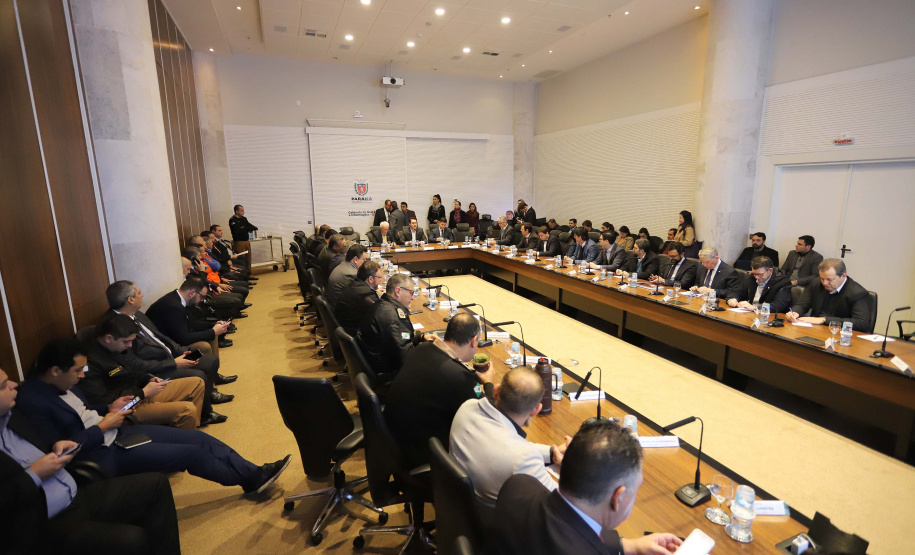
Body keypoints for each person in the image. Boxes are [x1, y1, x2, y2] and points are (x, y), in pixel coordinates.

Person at [16, 339, 292, 496]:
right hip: (104, 452)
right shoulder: (33, 401)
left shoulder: (65, 384)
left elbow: (85, 410)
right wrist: (103, 426)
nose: (82, 375)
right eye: (77, 371)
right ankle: (250, 480)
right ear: (54, 370)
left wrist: (110, 409)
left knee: (198, 437)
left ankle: (254, 473)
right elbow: (62, 450)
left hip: (115, 430)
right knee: (192, 455)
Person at [0, 367, 182, 555]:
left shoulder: (13, 418)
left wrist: (55, 445)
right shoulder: (24, 404)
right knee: (131, 538)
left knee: (156, 484)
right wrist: (34, 476)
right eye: (4, 385)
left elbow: (45, 440)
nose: (14, 384)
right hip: (41, 521)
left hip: (73, 493)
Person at [484, 419, 681, 555]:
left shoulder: (519, 485)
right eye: (636, 488)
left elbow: (575, 532)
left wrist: (629, 547)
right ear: (618, 498)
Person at [449, 367, 570, 519]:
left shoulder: (467, 407)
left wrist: (552, 453)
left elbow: (510, 447)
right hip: (495, 531)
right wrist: (575, 469)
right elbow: (564, 505)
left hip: (459, 513)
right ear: (536, 410)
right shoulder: (523, 458)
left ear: (496, 390)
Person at [383, 313, 496, 468]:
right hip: (421, 456)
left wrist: (473, 379)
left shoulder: (422, 349)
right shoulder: (460, 376)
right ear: (473, 341)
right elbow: (488, 415)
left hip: (393, 441)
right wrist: (489, 383)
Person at [107, 281, 233, 416]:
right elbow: (135, 363)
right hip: (157, 369)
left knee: (210, 360)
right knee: (199, 374)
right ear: (130, 299)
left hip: (169, 356)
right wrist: (174, 363)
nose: (142, 295)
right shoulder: (116, 326)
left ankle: (208, 396)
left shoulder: (137, 314)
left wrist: (181, 351)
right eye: (139, 293)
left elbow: (161, 338)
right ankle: (205, 414)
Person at [81, 314, 213, 429]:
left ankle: (188, 430)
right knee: (186, 410)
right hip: (127, 408)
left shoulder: (117, 347)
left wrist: (147, 378)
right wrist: (143, 393)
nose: (130, 345)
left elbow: (133, 368)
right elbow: (101, 401)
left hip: (140, 392)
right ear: (109, 338)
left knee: (197, 383)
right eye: (126, 342)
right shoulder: (89, 361)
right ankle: (183, 441)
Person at [358, 274, 435, 379]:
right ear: (398, 291)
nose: (413, 297)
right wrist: (429, 349)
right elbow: (406, 359)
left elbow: (398, 341)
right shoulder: (393, 318)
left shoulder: (381, 304)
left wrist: (420, 338)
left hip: (379, 363)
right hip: (391, 374)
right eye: (411, 292)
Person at [146, 276, 232, 359]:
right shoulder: (173, 306)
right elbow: (184, 339)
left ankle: (214, 372)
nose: (202, 300)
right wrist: (213, 332)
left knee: (212, 335)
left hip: (175, 337)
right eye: (201, 296)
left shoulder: (180, 299)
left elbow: (192, 323)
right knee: (205, 345)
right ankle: (209, 370)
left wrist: (213, 325)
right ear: (191, 293)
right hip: (165, 345)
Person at [787, 258, 871, 331]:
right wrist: (795, 312)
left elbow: (861, 323)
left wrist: (824, 320)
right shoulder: (816, 283)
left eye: (829, 279)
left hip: (840, 335)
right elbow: (803, 304)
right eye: (822, 278)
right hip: (814, 330)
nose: (824, 283)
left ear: (843, 276)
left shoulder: (857, 293)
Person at [727, 256, 792, 314]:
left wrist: (755, 307)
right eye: (754, 274)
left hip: (767, 317)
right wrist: (733, 298)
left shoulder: (783, 282)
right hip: (748, 314)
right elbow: (737, 290)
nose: (756, 277)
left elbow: (779, 305)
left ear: (770, 270)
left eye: (760, 274)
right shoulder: (751, 277)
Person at [334, 261, 384, 335]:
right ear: (370, 279)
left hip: (345, 329)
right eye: (379, 277)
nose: (381, 280)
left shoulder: (353, 284)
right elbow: (382, 314)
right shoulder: (366, 294)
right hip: (356, 334)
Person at [327, 244, 367, 309]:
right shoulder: (352, 273)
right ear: (355, 259)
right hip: (339, 310)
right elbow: (359, 295)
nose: (365, 262)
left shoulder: (343, 265)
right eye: (364, 259)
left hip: (334, 304)